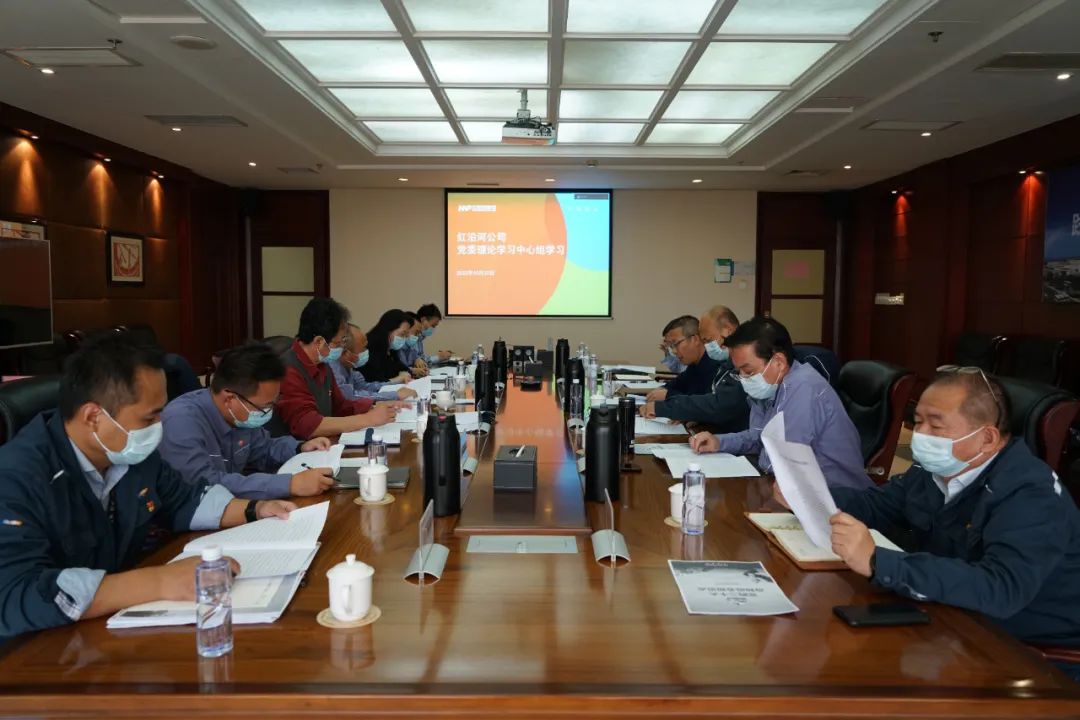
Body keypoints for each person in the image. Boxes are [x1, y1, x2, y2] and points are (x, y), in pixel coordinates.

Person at [0, 335, 295, 639]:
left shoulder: (129, 455)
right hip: (36, 648)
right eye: (149, 417)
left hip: (107, 628)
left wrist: (255, 509)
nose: (160, 426)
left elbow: (185, 499)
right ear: (93, 417)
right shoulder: (16, 478)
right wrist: (160, 582)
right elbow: (13, 593)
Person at [818, 370, 1080, 671]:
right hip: (954, 616)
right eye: (917, 421)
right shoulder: (936, 469)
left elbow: (1001, 588)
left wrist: (878, 562)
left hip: (1031, 651)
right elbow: (877, 505)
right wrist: (811, 493)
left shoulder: (1031, 494)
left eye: (936, 425)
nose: (920, 434)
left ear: (987, 438)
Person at [689, 316, 871, 490]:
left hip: (835, 497)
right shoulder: (769, 386)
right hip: (793, 486)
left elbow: (781, 460)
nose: (743, 379)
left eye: (748, 371)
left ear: (779, 362)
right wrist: (719, 442)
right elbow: (759, 437)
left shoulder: (803, 388)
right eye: (739, 372)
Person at [160, 344, 335, 500]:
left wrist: (299, 448)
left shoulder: (239, 415)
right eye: (265, 406)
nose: (269, 412)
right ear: (230, 399)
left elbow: (264, 448)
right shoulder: (180, 421)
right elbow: (206, 485)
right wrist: (289, 484)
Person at [272, 298, 399, 439]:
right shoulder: (288, 369)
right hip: (300, 448)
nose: (342, 348)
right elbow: (307, 425)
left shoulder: (322, 363)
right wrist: (368, 419)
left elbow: (340, 406)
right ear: (319, 341)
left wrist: (374, 406)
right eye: (338, 343)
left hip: (325, 443)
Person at [641, 305, 748, 433]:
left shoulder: (735, 364)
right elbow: (707, 400)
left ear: (728, 330)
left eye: (708, 340)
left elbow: (718, 405)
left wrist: (668, 406)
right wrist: (693, 414)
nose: (707, 346)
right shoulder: (727, 363)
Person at [644, 315, 722, 403]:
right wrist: (662, 388)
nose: (674, 351)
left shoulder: (715, 365)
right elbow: (677, 384)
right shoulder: (694, 365)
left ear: (695, 339)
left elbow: (703, 403)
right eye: (671, 346)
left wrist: (668, 395)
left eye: (676, 344)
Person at [332, 323, 415, 402]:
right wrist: (395, 395)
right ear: (347, 354)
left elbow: (365, 387)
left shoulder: (348, 366)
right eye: (364, 348)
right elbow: (351, 396)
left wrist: (394, 382)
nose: (367, 351)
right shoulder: (334, 369)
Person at [364, 309, 414, 383]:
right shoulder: (370, 349)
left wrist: (404, 373)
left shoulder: (391, 349)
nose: (403, 339)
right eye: (402, 334)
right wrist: (397, 379)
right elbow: (375, 382)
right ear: (388, 329)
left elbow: (403, 368)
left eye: (405, 336)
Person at [396, 311, 428, 377]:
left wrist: (422, 367)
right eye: (416, 332)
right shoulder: (395, 347)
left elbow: (418, 360)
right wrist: (412, 371)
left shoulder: (411, 348)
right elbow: (393, 370)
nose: (417, 337)